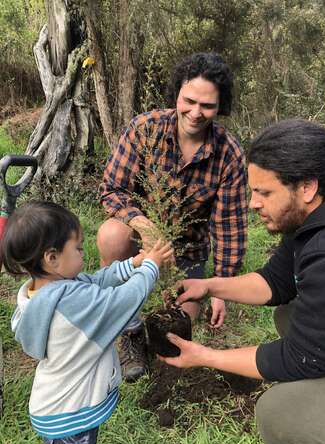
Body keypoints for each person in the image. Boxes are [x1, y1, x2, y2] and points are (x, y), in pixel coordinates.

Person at [160, 119, 325, 444]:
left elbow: (299, 357)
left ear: (306, 187)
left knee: (277, 415)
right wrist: (209, 285)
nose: (252, 203)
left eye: (263, 193)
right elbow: (276, 281)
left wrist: (204, 356)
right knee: (290, 315)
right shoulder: (320, 213)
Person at [0, 201, 173, 444]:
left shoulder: (41, 293)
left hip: (55, 404)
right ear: (52, 258)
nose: (84, 252)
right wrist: (150, 268)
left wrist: (131, 264)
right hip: (71, 411)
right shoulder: (71, 304)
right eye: (78, 248)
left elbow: (92, 282)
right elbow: (122, 301)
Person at [98, 52, 247, 382]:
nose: (195, 113)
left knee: (180, 324)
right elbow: (112, 189)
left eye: (207, 106)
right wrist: (142, 222)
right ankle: (131, 331)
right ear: (176, 94)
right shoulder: (145, 130)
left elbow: (229, 226)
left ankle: (163, 346)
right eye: (189, 100)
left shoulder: (228, 153)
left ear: (219, 106)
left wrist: (221, 288)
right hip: (142, 239)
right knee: (111, 235)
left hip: (187, 251)